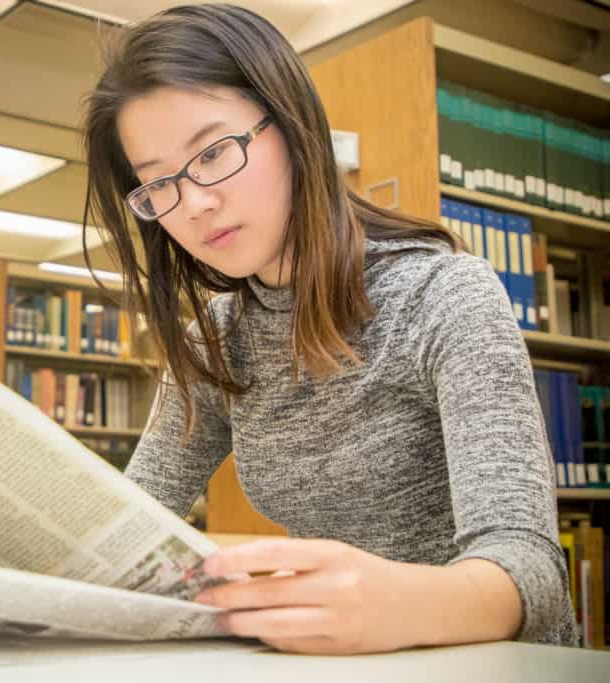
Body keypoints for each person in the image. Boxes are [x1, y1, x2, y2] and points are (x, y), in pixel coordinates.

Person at [80, 4, 576, 654]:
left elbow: (533, 571)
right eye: (158, 186)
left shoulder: (440, 294)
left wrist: (390, 600)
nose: (194, 202)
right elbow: (130, 523)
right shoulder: (216, 341)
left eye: (214, 154)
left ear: (292, 125)